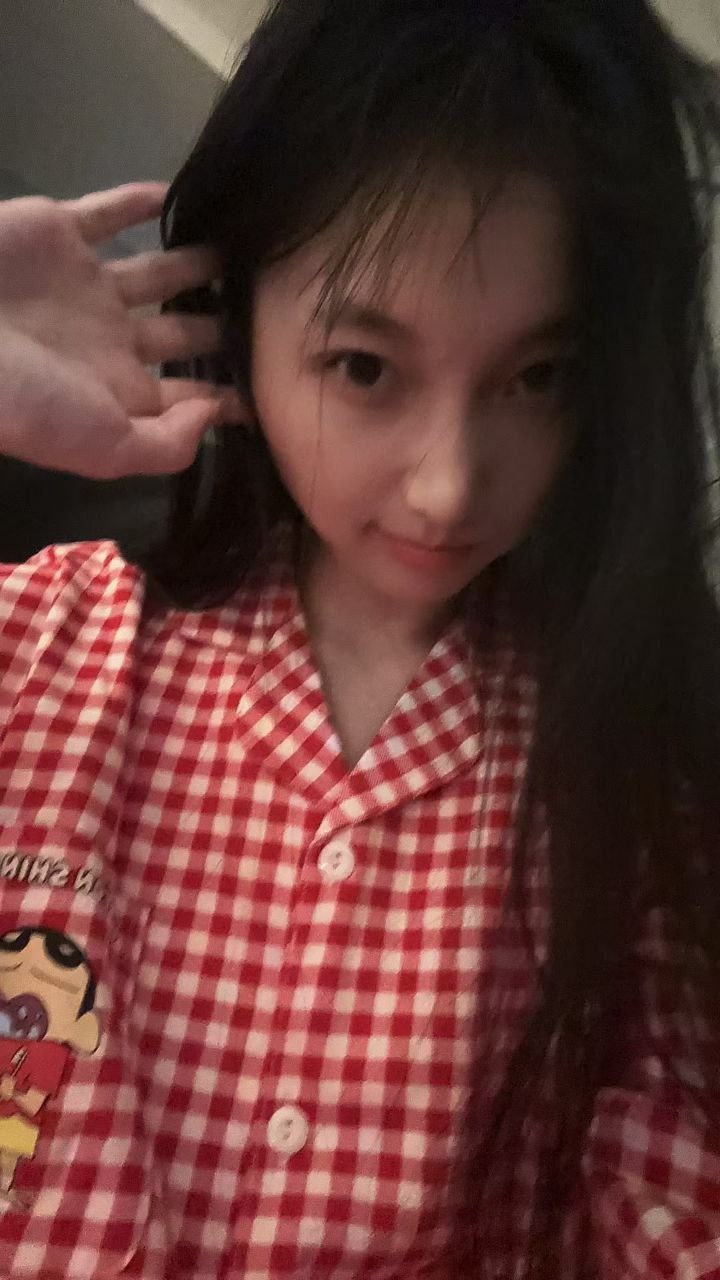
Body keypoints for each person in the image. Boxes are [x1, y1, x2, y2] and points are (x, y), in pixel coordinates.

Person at [0, 1, 719, 1277]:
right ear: (241, 314)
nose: (451, 486)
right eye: (366, 368)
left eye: (537, 377)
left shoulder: (631, 759)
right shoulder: (42, 648)